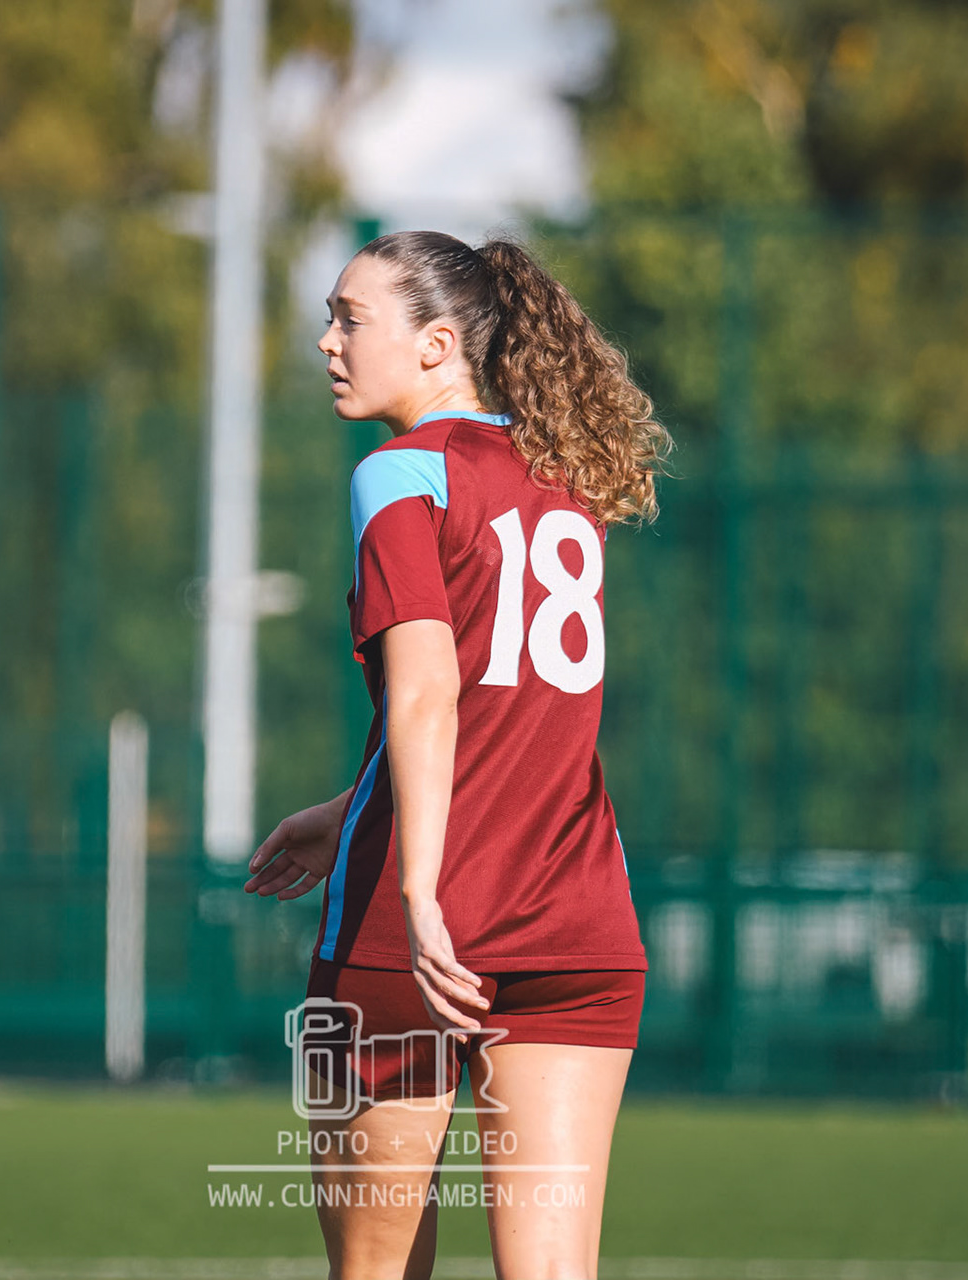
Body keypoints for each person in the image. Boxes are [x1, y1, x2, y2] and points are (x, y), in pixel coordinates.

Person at [244, 229, 670, 1279]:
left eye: (350, 319)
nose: (326, 341)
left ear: (436, 344)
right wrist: (353, 805)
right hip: (578, 923)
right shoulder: (564, 478)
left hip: (412, 931)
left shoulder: (398, 472)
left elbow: (431, 689)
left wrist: (420, 888)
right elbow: (507, 707)